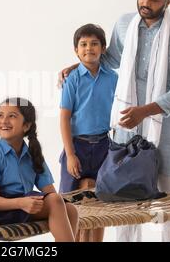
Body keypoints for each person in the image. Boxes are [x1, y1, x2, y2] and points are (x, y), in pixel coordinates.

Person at [59, 0, 170, 242]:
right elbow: (111, 59)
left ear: (168, 1)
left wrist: (144, 112)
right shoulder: (125, 25)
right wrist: (77, 65)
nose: (146, 2)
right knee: (123, 199)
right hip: (126, 127)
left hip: (166, 130)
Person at [0, 97, 79, 242]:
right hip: (1, 211)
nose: (4, 121)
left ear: (26, 126)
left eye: (12, 116)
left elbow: (50, 192)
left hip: (24, 206)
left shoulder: (33, 154)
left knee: (70, 209)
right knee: (55, 201)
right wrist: (21, 203)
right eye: (0, 115)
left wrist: (52, 203)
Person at [59, 24, 118, 242]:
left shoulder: (112, 78)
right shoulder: (72, 79)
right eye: (83, 44)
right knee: (70, 203)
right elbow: (64, 118)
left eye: (94, 44)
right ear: (76, 50)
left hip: (104, 146)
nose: (88, 48)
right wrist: (70, 154)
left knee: (99, 200)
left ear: (103, 48)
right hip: (77, 146)